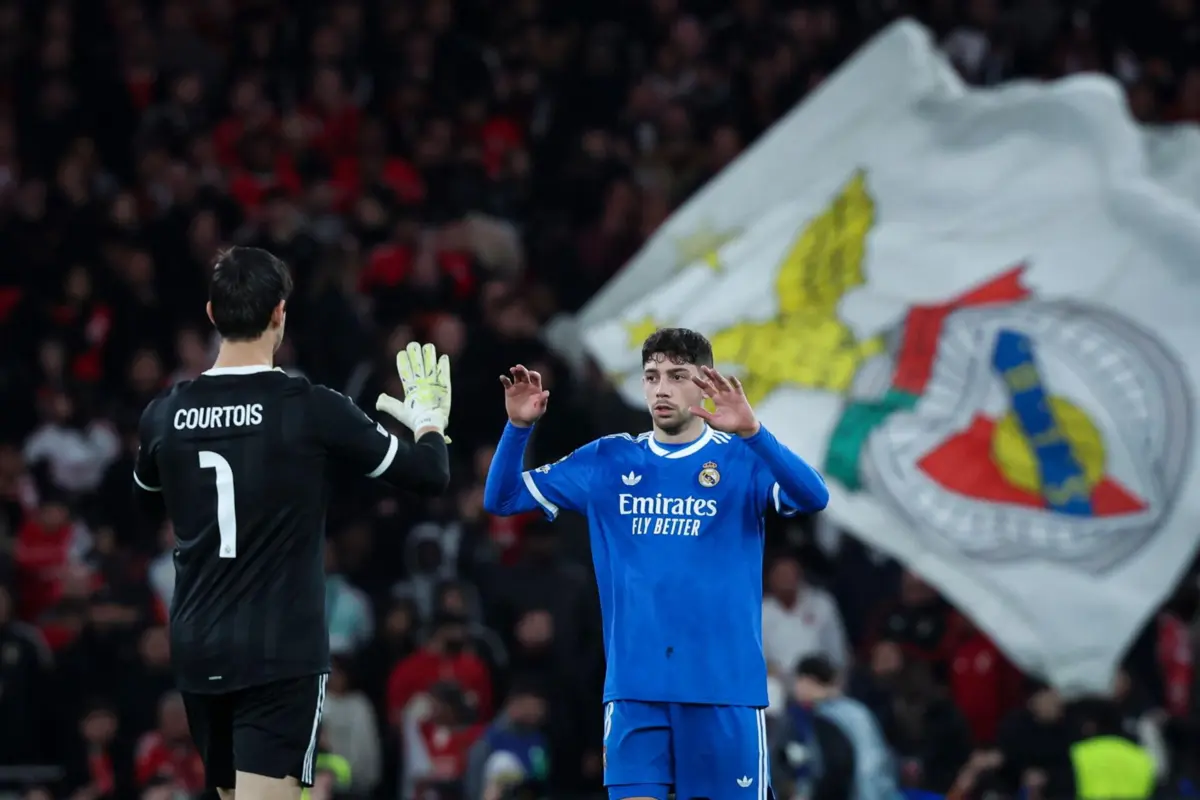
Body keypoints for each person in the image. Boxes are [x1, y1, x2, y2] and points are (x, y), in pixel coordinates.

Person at [132, 246, 453, 800]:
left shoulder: (164, 414)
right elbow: (428, 474)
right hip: (276, 651)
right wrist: (427, 421)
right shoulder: (310, 407)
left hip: (200, 645)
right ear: (280, 313)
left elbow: (145, 505)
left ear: (212, 313)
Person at [483, 327, 829, 800]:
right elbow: (502, 498)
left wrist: (754, 433)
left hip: (723, 690)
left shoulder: (740, 458)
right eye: (652, 376)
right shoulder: (608, 459)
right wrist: (518, 428)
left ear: (704, 382)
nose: (661, 389)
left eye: (677, 376)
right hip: (635, 691)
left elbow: (813, 496)